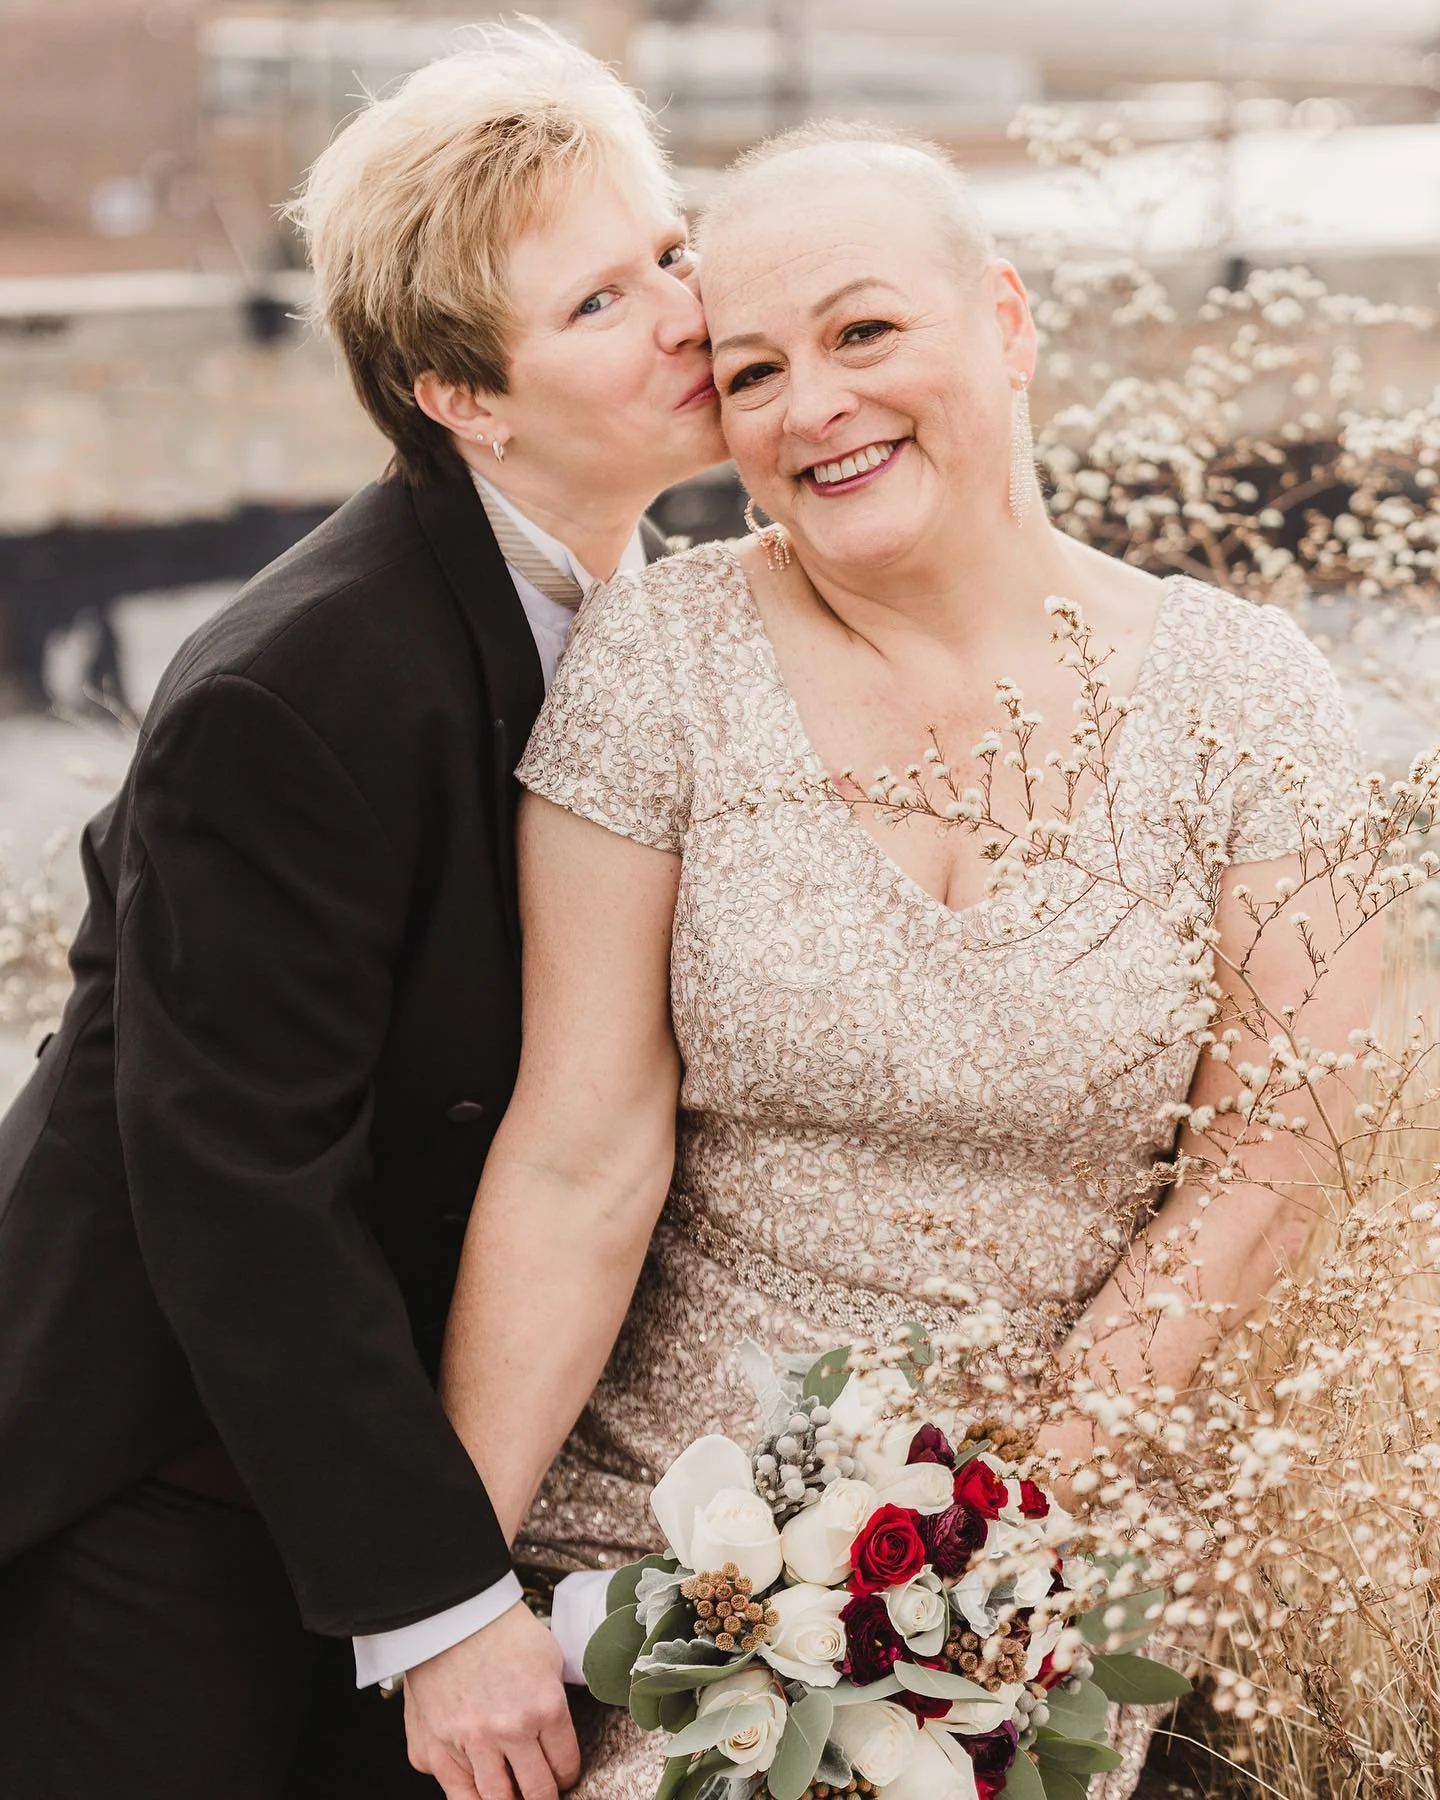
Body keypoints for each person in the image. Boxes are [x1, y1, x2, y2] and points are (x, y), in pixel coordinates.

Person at [438, 124, 1381, 1796]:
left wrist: (977, 1548)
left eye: (865, 331)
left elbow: (1267, 1168)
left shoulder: (1248, 699)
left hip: (1042, 1568)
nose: (814, 406)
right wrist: (443, 1598)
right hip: (656, 1561)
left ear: (1007, 323)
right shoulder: (660, 657)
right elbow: (577, 1155)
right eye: (753, 370)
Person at [0, 25, 722, 1800]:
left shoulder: (681, 616)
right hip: (171, 1494)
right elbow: (237, 1185)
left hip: (422, 1459)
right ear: (458, 395)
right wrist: (437, 1602)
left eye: (671, 253)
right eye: (601, 303)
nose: (687, 318)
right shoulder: (298, 688)